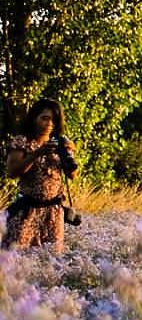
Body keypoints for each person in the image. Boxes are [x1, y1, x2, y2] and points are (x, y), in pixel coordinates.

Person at [5, 98, 78, 253]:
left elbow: (72, 175)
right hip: (27, 212)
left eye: (53, 120)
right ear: (34, 118)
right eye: (44, 118)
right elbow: (12, 172)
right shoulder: (22, 142)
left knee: (50, 261)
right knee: (14, 259)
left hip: (53, 214)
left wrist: (69, 154)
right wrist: (37, 153)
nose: (49, 124)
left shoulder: (59, 143)